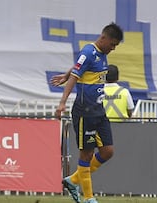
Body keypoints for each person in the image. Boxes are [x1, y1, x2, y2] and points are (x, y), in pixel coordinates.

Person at [53, 22, 123, 203]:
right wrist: (62, 103)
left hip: (99, 111)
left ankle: (73, 180)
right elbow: (76, 76)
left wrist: (65, 74)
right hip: (85, 111)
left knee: (107, 151)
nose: (113, 48)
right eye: (112, 44)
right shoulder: (89, 52)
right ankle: (89, 198)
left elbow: (78, 67)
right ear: (103, 38)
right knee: (86, 154)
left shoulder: (101, 54)